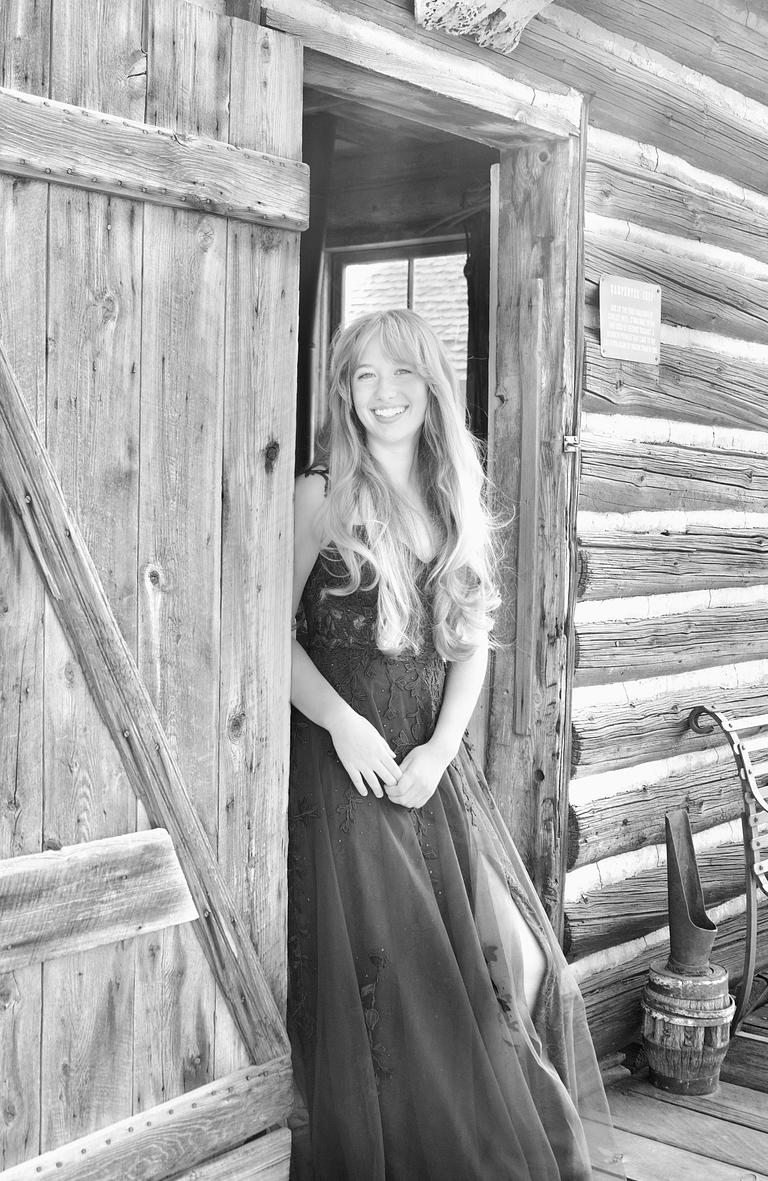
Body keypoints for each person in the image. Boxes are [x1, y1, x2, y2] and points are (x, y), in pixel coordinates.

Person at [287, 309, 623, 1180]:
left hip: (427, 768)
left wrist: (440, 749)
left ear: (430, 384)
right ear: (343, 390)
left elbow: (469, 646)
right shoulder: (320, 495)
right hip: (344, 769)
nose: (383, 392)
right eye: (364, 374)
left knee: (518, 959)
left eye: (401, 372)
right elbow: (268, 638)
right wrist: (341, 722)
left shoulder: (450, 499)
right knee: (399, 973)